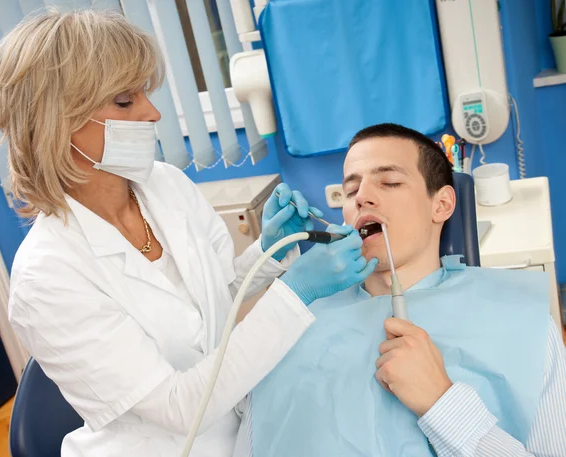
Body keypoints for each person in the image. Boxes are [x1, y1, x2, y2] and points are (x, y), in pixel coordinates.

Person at [0, 9, 378, 457]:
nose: (152, 112)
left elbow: (211, 309)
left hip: (245, 428)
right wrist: (298, 292)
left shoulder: (164, 185)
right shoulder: (46, 278)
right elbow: (179, 407)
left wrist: (269, 254)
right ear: (58, 120)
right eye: (124, 100)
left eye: (144, 94)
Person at [243, 124, 566, 457]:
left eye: (390, 182)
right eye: (351, 190)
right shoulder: (292, 323)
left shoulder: (522, 325)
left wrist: (441, 403)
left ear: (441, 205)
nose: (363, 197)